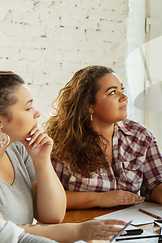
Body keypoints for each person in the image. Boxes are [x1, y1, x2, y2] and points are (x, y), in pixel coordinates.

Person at [45, 66, 162, 219]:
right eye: (112, 92)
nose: (124, 97)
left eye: (122, 89)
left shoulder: (140, 136)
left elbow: (159, 180)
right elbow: (46, 198)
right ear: (89, 105)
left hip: (130, 228)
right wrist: (100, 199)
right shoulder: (58, 142)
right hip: (78, 227)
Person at [0, 71, 126, 242]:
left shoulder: (17, 150)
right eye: (28, 108)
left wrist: (42, 160)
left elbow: (52, 216)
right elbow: (9, 234)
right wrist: (78, 231)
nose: (36, 113)